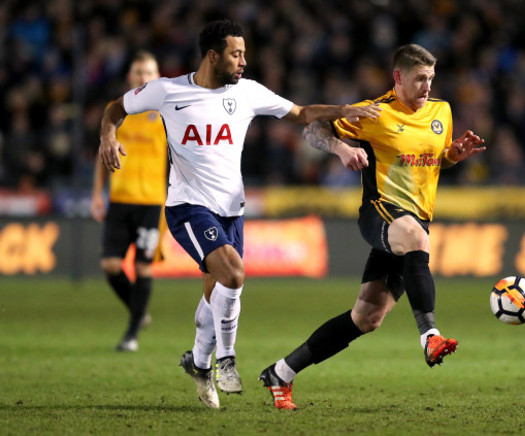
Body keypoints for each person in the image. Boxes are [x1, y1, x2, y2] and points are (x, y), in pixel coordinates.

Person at [98, 19, 380, 409]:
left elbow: (299, 113)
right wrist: (108, 136)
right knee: (233, 273)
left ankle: (198, 363)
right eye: (236, 54)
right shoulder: (167, 91)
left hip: (232, 209)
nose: (244, 61)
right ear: (213, 56)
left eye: (244, 53)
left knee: (217, 292)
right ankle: (225, 361)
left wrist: (343, 110)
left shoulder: (246, 93)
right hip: (188, 206)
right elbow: (116, 108)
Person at [259, 44, 486, 410]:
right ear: (398, 77)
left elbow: (432, 161)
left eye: (430, 78)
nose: (427, 86)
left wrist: (452, 155)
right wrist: (340, 148)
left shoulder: (441, 111)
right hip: (379, 212)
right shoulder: (373, 112)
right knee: (416, 237)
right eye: (419, 79)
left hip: (414, 219)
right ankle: (430, 336)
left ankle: (281, 373)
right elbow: (312, 130)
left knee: (366, 318)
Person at [91, 51, 167, 353]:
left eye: (149, 72)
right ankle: (139, 309)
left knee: (143, 267)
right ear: (130, 77)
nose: (143, 78)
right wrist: (97, 192)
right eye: (138, 72)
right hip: (119, 199)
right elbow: (103, 152)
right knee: (110, 265)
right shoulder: (115, 111)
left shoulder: (164, 113)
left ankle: (132, 332)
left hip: (151, 202)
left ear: (157, 77)